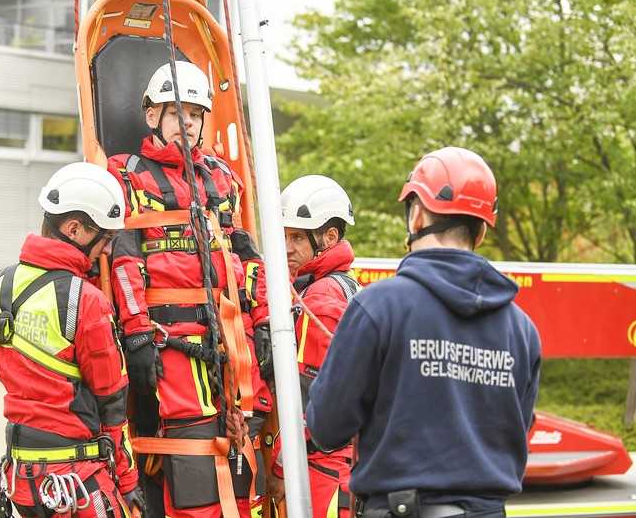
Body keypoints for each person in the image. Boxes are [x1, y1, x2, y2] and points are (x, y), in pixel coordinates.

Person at [306, 147, 541, 518]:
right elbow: (516, 429)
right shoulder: (522, 330)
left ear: (416, 214)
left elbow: (327, 426)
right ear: (480, 230)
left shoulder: (378, 307)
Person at [106, 61, 271, 518]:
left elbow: (248, 258)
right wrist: (137, 332)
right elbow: (124, 259)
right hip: (171, 342)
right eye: (177, 113)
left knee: (246, 442)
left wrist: (262, 324)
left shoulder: (221, 180)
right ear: (153, 116)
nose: (188, 124)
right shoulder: (126, 175)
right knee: (193, 448)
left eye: (196, 115)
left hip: (231, 341)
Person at [0, 162, 144, 518]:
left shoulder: (3, 286)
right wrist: (130, 481)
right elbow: (112, 404)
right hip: (78, 481)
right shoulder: (85, 300)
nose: (106, 251)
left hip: (22, 482)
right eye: (105, 238)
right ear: (74, 228)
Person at [268, 175, 357, 518]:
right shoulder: (347, 287)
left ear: (329, 237)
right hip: (346, 464)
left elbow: (307, 398)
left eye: (297, 238)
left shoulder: (319, 298)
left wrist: (278, 469)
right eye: (284, 236)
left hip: (322, 469)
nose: (286, 248)